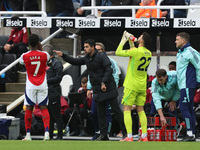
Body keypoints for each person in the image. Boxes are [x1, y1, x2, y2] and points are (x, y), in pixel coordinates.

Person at [54, 39, 126, 141]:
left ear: (92, 47)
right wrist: (63, 56)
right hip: (97, 89)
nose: (85, 49)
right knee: (99, 114)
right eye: (84, 47)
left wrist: (104, 82)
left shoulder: (102, 56)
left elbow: (108, 70)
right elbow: (76, 61)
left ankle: (125, 132)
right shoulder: (87, 58)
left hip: (108, 88)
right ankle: (104, 135)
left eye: (87, 47)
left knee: (117, 111)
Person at [115, 31, 152, 141]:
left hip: (131, 84)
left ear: (141, 41)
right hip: (141, 85)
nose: (138, 37)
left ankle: (129, 136)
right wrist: (131, 43)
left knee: (127, 109)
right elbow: (134, 56)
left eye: (140, 37)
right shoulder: (148, 53)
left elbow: (118, 52)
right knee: (141, 110)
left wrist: (123, 40)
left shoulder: (135, 51)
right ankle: (144, 137)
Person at [19, 34, 51, 141]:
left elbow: (21, 63)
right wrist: (40, 49)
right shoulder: (45, 54)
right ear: (39, 43)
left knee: (29, 108)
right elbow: (49, 63)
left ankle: (28, 135)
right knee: (43, 108)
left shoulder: (24, 56)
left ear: (28, 43)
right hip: (42, 84)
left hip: (31, 85)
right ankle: (46, 133)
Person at [87, 42, 119, 140]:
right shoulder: (92, 61)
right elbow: (90, 75)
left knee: (107, 112)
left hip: (108, 90)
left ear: (103, 51)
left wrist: (112, 88)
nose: (96, 52)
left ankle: (106, 133)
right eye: (95, 49)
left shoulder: (111, 61)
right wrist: (89, 88)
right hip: (97, 90)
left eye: (99, 50)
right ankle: (98, 131)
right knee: (94, 113)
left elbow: (115, 75)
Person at [175, 32, 200, 141]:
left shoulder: (191, 51)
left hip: (188, 85)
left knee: (184, 107)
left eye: (177, 39)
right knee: (189, 109)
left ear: (183, 41)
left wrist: (198, 81)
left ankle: (190, 134)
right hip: (182, 86)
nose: (175, 41)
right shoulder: (180, 53)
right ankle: (192, 134)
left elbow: (199, 65)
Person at [43, 44, 63, 140]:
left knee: (56, 115)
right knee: (48, 115)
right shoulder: (44, 63)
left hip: (53, 91)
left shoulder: (56, 63)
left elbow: (58, 78)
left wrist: (46, 81)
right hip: (45, 92)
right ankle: (49, 135)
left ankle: (59, 136)